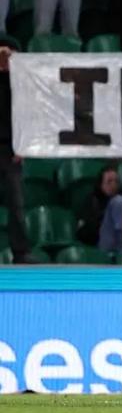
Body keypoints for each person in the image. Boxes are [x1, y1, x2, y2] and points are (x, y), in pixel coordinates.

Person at [0, 40, 34, 264]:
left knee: (16, 203)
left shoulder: (22, 82)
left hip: (10, 148)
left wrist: (23, 145)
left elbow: (30, 113)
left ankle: (21, 252)